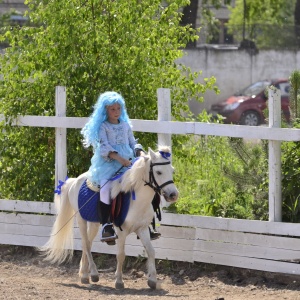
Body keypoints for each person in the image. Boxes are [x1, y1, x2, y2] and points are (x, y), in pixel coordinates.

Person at [81, 91, 160, 245]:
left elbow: (132, 142)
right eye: (112, 109)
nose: (116, 112)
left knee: (147, 184)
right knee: (105, 189)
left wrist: (140, 152)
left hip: (128, 164)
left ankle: (147, 223)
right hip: (108, 165)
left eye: (118, 109)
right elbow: (104, 146)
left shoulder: (125, 125)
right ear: (105, 111)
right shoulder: (103, 127)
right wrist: (119, 158)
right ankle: (106, 225)